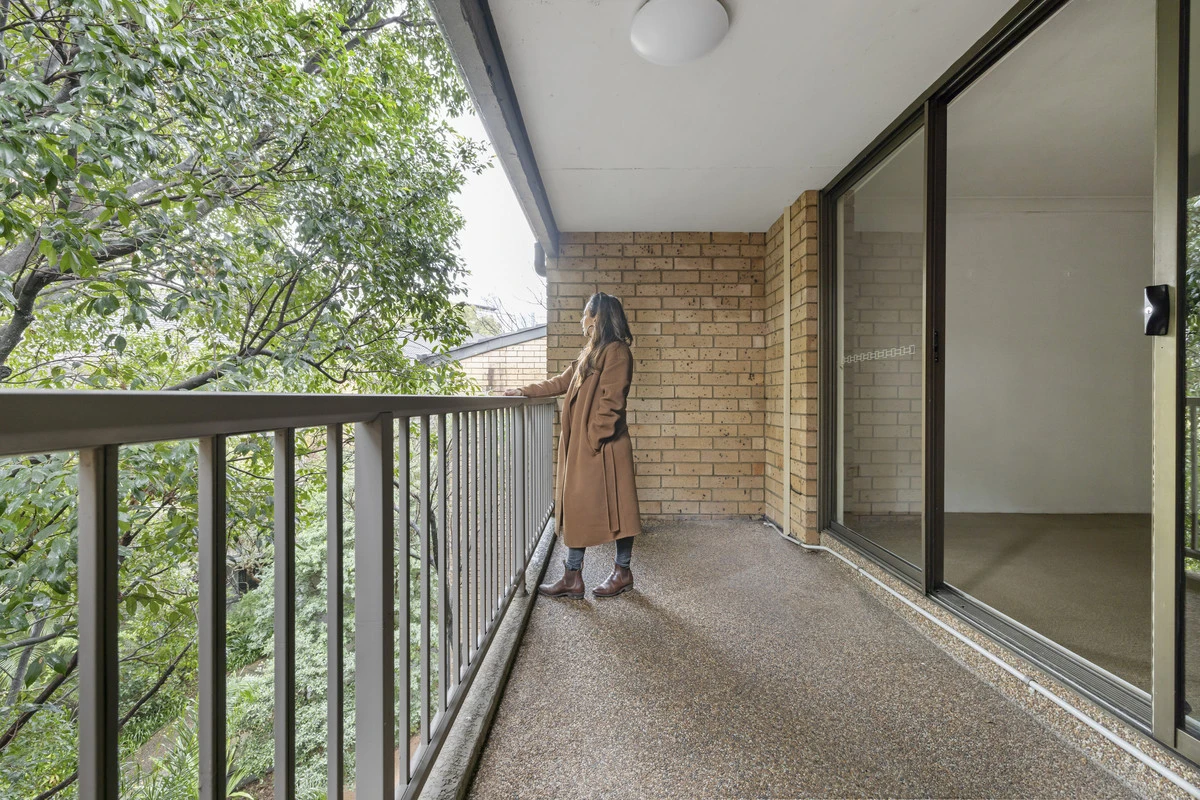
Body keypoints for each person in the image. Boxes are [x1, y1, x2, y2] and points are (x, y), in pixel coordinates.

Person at [504, 292, 641, 599]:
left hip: (605, 448)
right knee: (577, 508)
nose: (582, 319)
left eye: (585, 313)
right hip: (588, 447)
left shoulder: (617, 352)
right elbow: (560, 382)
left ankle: (621, 572)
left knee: (621, 510)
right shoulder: (591, 352)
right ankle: (572, 576)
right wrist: (522, 391)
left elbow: (612, 402)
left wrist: (594, 438)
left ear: (597, 317)